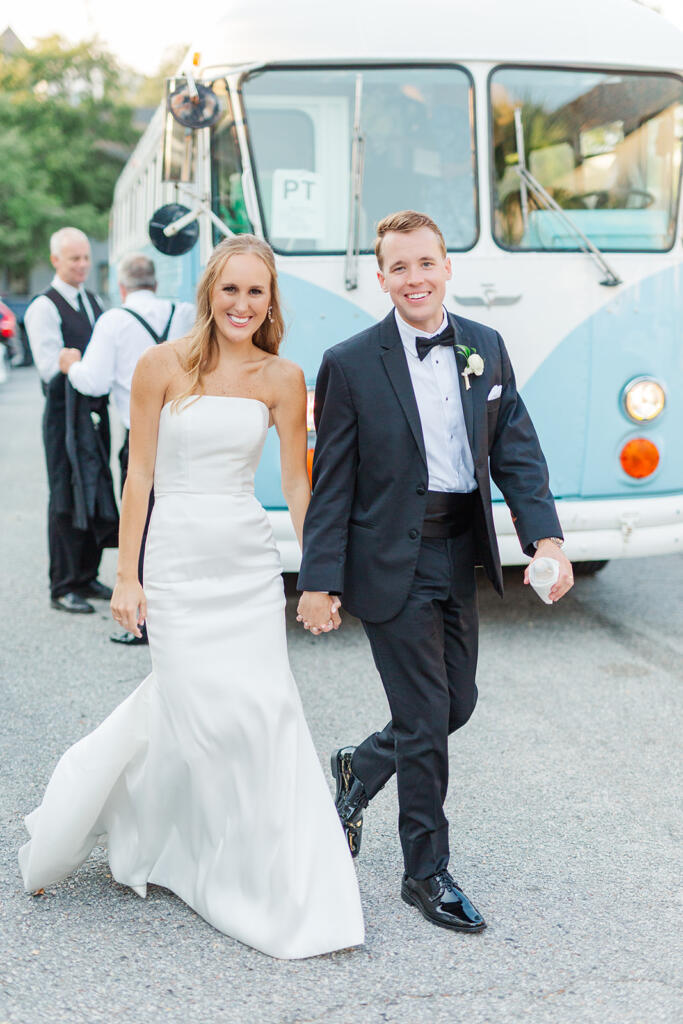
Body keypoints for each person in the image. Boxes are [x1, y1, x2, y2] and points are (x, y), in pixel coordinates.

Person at [18, 235, 364, 960]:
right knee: (198, 713)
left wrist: (320, 574)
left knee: (263, 711)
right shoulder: (161, 365)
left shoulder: (282, 377)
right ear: (209, 291)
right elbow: (140, 475)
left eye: (256, 291)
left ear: (270, 302)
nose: (242, 303)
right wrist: (127, 574)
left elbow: (296, 484)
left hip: (246, 561)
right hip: (176, 558)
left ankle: (275, 876)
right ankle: (168, 837)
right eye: (230, 288)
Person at [297, 210, 573, 935]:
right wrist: (319, 580)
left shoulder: (486, 347)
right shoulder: (350, 362)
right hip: (389, 556)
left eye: (426, 263)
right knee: (425, 717)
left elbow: (517, 450)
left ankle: (361, 766)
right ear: (381, 277)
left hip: (457, 549)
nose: (414, 278)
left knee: (456, 704)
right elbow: (332, 482)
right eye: (399, 267)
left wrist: (545, 539)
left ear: (447, 267)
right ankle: (425, 871)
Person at [59, 253, 196, 646]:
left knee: (144, 528)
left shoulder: (114, 321)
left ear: (122, 287)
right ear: (156, 283)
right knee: (184, 523)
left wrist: (70, 365)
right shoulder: (184, 313)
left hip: (142, 440)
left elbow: (94, 382)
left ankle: (147, 622)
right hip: (190, 436)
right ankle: (186, 612)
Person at [24, 227, 118, 614]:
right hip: (63, 416)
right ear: (55, 261)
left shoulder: (94, 301)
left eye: (85, 258)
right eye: (74, 258)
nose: (82, 265)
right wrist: (77, 366)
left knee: (95, 487)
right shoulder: (43, 307)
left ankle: (86, 576)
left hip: (95, 412)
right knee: (65, 493)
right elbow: (50, 368)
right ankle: (63, 585)